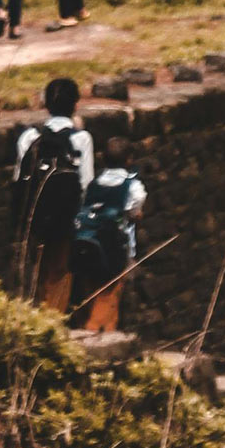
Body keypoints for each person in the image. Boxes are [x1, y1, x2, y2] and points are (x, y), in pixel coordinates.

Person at [12, 77, 95, 315]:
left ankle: (34, 317)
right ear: (75, 105)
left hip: (34, 216)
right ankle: (53, 321)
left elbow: (19, 177)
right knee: (59, 271)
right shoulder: (81, 139)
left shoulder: (29, 137)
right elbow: (86, 182)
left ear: (45, 103)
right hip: (65, 218)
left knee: (35, 269)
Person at [71, 137, 146, 332]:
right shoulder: (133, 187)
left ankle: (100, 331)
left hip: (86, 246)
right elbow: (135, 211)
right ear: (129, 160)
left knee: (89, 294)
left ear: (103, 159)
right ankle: (95, 335)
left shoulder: (94, 184)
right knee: (108, 296)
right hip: (114, 250)